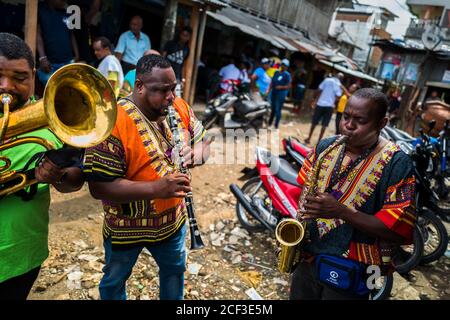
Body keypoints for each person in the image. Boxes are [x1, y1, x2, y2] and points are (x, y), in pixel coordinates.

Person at [82, 54, 211, 300]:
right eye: (162, 91)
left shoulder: (178, 107)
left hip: (173, 222)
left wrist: (196, 154)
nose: (170, 97)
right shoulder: (112, 120)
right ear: (139, 86)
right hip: (125, 228)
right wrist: (156, 189)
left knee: (174, 271)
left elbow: (204, 143)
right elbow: (98, 187)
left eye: (173, 89)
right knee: (114, 281)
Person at [290, 88, 416, 300]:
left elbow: (397, 231)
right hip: (308, 258)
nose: (348, 125)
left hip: (355, 270)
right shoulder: (326, 146)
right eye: (346, 117)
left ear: (381, 124)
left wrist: (341, 211)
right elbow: (304, 188)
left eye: (360, 120)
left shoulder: (397, 163)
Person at [0, 33, 84, 300]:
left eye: (20, 78)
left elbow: (75, 180)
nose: (6, 86)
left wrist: (58, 174)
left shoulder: (56, 120)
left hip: (21, 255)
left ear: (34, 75)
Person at [36, 0, 80, 86]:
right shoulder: (41, 12)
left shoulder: (67, 13)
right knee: (51, 87)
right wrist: (42, 57)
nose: (64, 1)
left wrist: (77, 54)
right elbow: (37, 36)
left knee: (69, 88)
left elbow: (71, 35)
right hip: (50, 64)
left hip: (68, 61)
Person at [304, 73, 344, 145]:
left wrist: (314, 99)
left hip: (320, 104)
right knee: (324, 125)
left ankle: (309, 138)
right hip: (329, 106)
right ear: (341, 79)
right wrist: (334, 101)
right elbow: (338, 96)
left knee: (314, 122)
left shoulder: (327, 80)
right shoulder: (339, 85)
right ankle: (319, 141)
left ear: (336, 76)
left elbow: (319, 89)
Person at [162, 26, 192, 97]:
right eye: (183, 35)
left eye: (187, 36)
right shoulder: (170, 44)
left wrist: (182, 79)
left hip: (177, 77)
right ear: (180, 35)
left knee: (177, 97)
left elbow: (183, 65)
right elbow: (162, 58)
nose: (184, 37)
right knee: (164, 95)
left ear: (189, 37)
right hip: (166, 74)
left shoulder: (187, 49)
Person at [268, 59, 291, 129]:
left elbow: (288, 86)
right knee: (273, 108)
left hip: (281, 93)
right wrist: (269, 89)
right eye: (283, 64)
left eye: (285, 65)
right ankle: (269, 123)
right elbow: (272, 82)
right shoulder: (276, 72)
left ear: (287, 67)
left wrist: (281, 87)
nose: (283, 66)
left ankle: (276, 125)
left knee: (278, 109)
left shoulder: (287, 75)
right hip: (274, 91)